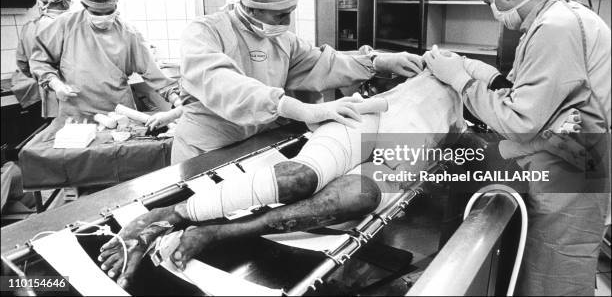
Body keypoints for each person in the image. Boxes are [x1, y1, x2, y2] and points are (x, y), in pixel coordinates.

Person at [98, 71, 466, 288]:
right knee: (300, 177)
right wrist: (379, 64)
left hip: (404, 155)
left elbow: (504, 123)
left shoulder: (472, 94)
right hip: (371, 120)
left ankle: (212, 232)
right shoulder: (433, 71)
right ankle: (167, 216)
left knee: (362, 197)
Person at [424, 0, 611, 296]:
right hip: (568, 157)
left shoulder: (556, 28)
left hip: (571, 169)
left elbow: (520, 120)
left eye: (487, 2)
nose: (492, 11)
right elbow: (541, 91)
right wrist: (490, 79)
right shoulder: (557, 16)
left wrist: (460, 81)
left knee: (554, 274)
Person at [173, 0, 424, 163]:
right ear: (250, 8)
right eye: (279, 15)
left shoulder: (284, 41)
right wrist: (297, 108)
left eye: (290, 14)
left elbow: (324, 63)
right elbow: (222, 83)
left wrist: (377, 62)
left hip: (252, 145)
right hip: (205, 150)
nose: (285, 24)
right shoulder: (205, 32)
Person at [29, 0, 182, 118]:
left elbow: (152, 71)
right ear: (84, 6)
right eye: (96, 13)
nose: (104, 17)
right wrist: (55, 84)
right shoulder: (65, 25)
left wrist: (176, 99)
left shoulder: (128, 33)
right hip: (76, 112)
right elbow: (39, 61)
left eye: (109, 12)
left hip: (119, 112)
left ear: (116, 5)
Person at [11, 0, 71, 117]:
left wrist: (43, 79)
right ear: (64, 2)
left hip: (48, 97)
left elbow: (22, 63)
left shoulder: (29, 27)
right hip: (70, 96)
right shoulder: (68, 25)